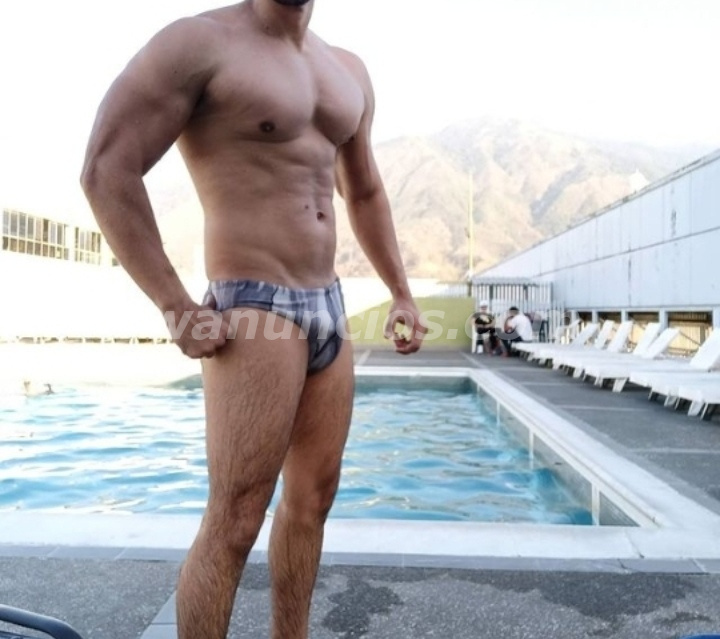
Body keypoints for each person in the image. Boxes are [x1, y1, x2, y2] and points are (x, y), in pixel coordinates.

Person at [80, 2, 426, 638]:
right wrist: (175, 305)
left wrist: (400, 292)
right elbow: (106, 167)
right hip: (254, 304)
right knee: (236, 519)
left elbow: (364, 190)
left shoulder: (347, 70)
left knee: (312, 503)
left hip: (328, 303)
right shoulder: (198, 44)